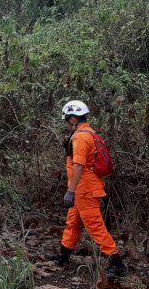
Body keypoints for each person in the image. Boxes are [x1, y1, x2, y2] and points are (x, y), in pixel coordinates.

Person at [45, 100, 127, 279]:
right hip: (83, 188)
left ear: (73, 119)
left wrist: (71, 191)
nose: (66, 124)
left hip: (85, 189)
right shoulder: (89, 133)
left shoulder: (81, 137)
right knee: (72, 222)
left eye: (67, 120)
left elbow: (78, 165)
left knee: (95, 226)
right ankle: (63, 256)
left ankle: (116, 263)